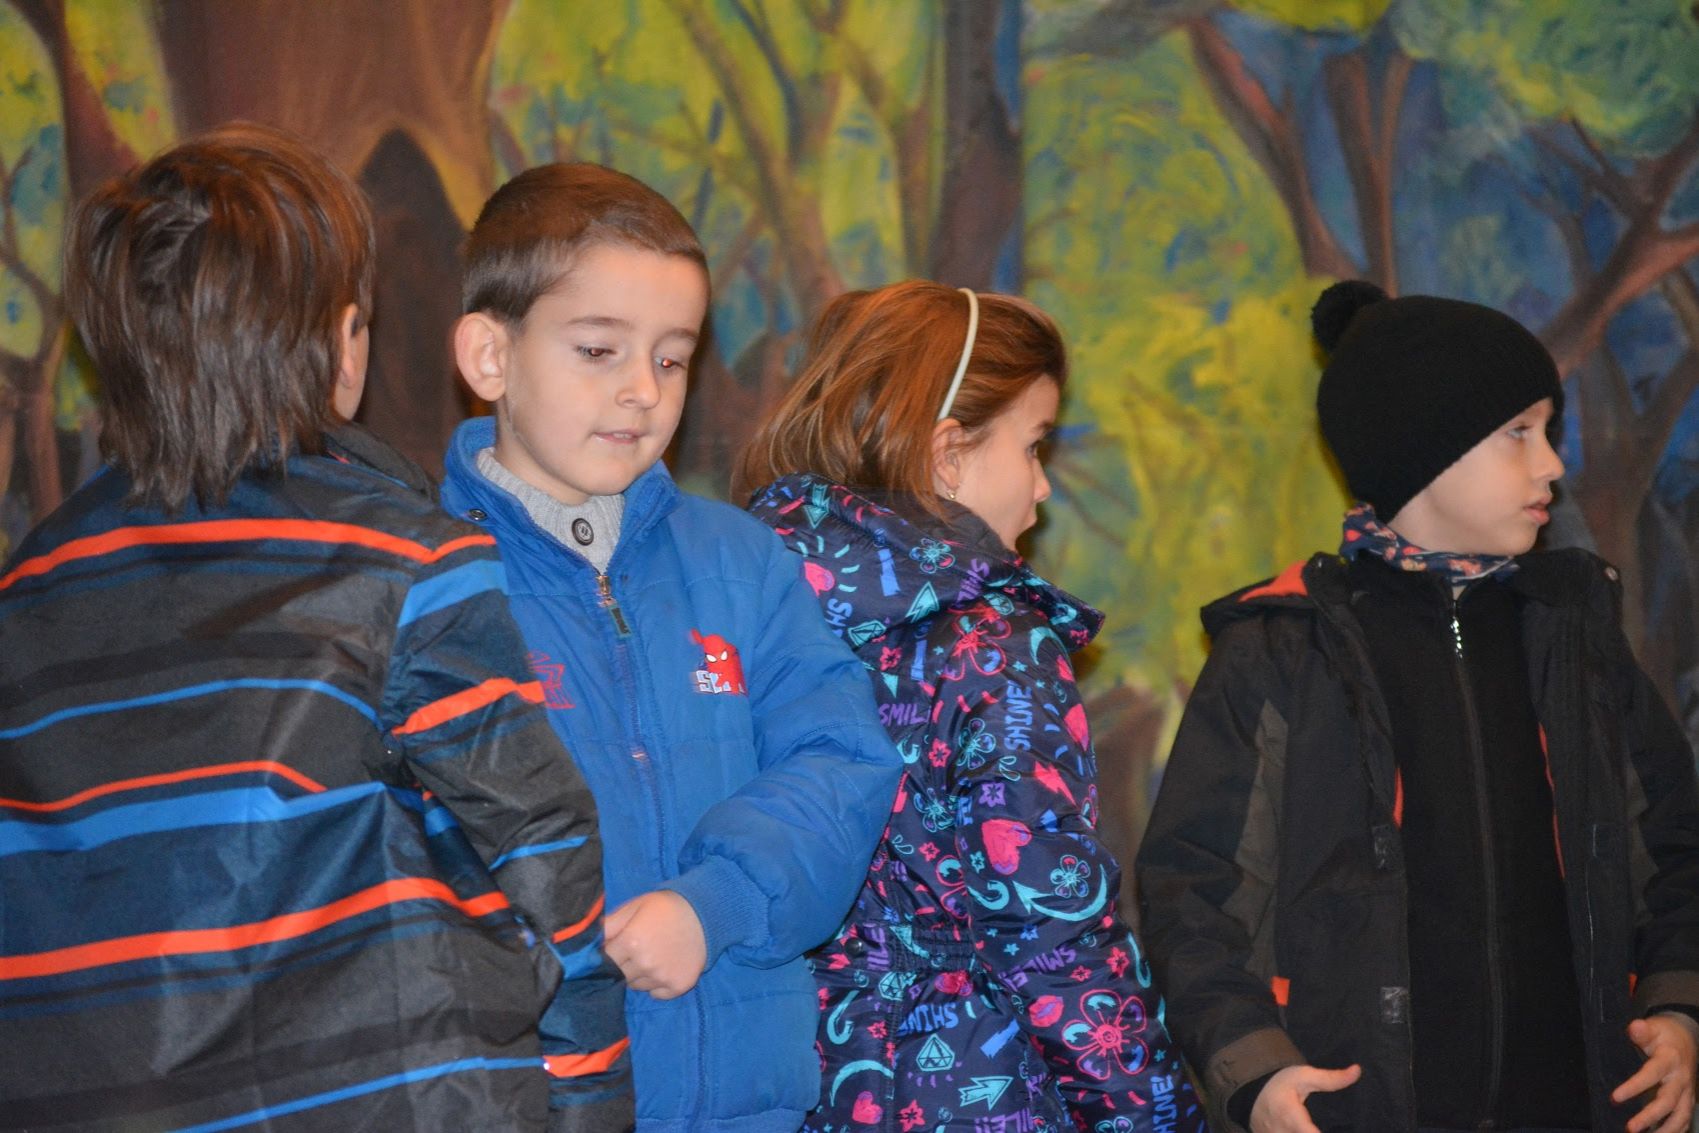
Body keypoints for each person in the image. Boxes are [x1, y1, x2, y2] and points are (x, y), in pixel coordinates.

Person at [0, 123, 626, 1131]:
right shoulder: (409, 566)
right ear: (340, 344)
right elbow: (544, 852)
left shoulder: (26, 589)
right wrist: (589, 1097)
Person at [1136, 281, 1699, 1133]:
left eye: (1548, 431)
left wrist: (1678, 1009)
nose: (1551, 463)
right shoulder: (1282, 649)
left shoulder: (1575, 635)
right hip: (1354, 1112)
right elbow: (1196, 888)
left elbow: (1671, 849)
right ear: (1420, 451)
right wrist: (1252, 1068)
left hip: (1574, 1104)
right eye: (1517, 433)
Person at [439, 160, 903, 1133]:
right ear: (488, 355)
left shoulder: (741, 560)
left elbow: (842, 757)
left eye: (671, 358)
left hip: (747, 1100)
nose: (641, 391)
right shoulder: (426, 578)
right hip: (528, 1097)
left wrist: (717, 901)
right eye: (598, 349)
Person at [738, 279, 1208, 1132]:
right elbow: (1051, 930)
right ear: (947, 453)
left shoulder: (747, 604)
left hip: (790, 1076)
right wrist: (1156, 1116)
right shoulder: (993, 645)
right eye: (1033, 446)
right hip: (971, 1086)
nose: (1043, 488)